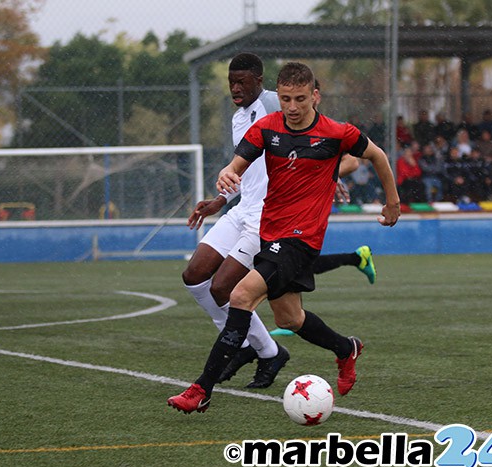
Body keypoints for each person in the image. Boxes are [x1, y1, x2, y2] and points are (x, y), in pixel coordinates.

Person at [168, 61, 401, 414]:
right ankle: (345, 348)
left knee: (240, 294)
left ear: (315, 96)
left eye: (301, 99)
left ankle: (202, 388)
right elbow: (237, 163)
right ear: (280, 95)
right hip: (269, 233)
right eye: (287, 99)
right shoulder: (266, 128)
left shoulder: (337, 133)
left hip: (301, 238)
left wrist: (393, 202)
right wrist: (227, 176)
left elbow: (377, 155)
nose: (292, 107)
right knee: (290, 319)